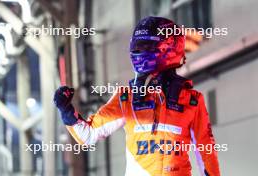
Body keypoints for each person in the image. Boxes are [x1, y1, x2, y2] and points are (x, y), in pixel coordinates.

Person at [54, 16, 220, 176]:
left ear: (169, 47)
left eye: (147, 47)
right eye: (137, 48)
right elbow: (88, 135)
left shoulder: (192, 100)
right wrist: (66, 109)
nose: (140, 53)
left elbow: (206, 152)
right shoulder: (126, 98)